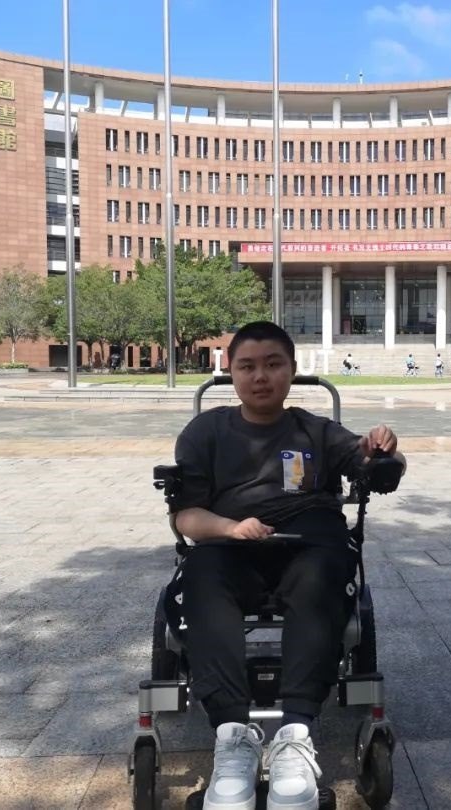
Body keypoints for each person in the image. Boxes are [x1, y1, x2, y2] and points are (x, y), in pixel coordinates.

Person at [173, 321, 405, 810]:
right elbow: (187, 516)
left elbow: (371, 461)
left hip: (309, 542)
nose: (260, 376)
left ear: (292, 370)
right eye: (247, 366)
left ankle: (296, 734)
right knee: (201, 578)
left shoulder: (315, 430)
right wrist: (231, 528)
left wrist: (384, 448)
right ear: (231, 371)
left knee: (322, 576)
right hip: (229, 542)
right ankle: (233, 737)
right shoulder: (205, 432)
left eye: (273, 364)